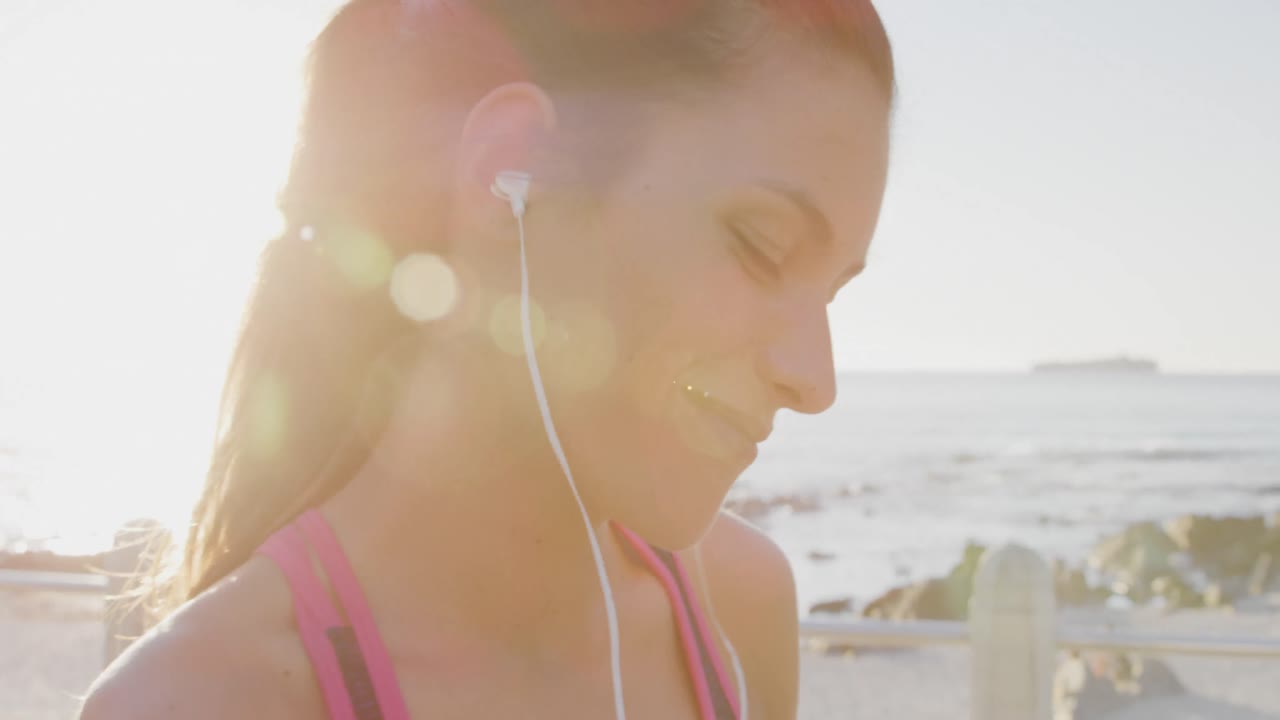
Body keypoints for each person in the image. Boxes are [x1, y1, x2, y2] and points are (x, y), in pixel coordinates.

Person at [80, 1, 894, 718]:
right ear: (516, 172)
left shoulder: (738, 614)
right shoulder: (205, 700)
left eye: (833, 291)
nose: (813, 381)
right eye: (761, 246)